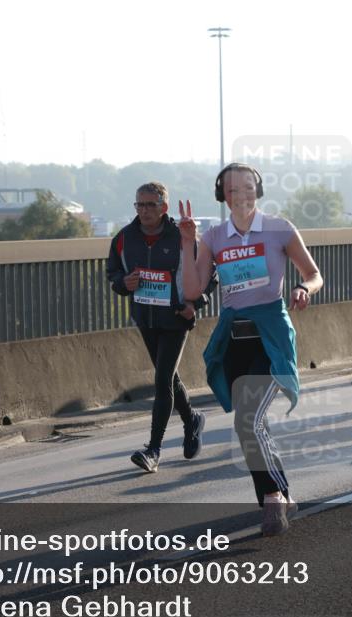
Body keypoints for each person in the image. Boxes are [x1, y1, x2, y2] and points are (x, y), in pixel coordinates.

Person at [179, 163, 323, 537]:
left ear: (257, 190)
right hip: (235, 339)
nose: (240, 195)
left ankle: (273, 496)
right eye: (231, 189)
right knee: (251, 423)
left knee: (249, 420)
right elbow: (193, 291)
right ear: (222, 196)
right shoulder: (214, 236)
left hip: (270, 335)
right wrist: (186, 241)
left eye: (247, 187)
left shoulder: (279, 228)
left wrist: (304, 289)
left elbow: (313, 272)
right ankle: (280, 491)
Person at [107, 182, 209, 473]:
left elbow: (208, 274)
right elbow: (113, 271)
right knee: (170, 378)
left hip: (176, 318)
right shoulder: (124, 238)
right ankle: (191, 420)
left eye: (151, 205)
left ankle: (153, 450)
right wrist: (122, 283)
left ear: (164, 207)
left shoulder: (182, 236)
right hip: (145, 317)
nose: (144, 210)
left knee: (162, 378)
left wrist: (195, 304)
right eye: (139, 204)